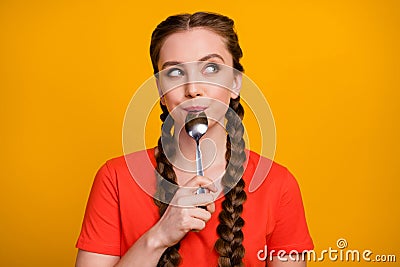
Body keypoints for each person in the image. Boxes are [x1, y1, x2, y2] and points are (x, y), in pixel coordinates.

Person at [75, 12, 313, 267]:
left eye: (211, 68)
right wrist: (159, 237)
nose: (193, 89)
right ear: (160, 91)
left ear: (235, 83)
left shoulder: (278, 185)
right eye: (175, 72)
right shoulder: (115, 179)